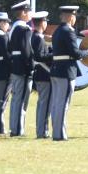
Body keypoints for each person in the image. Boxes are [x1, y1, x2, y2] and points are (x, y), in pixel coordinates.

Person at [49, 5, 88, 141]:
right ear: (71, 17)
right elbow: (75, 53)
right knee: (63, 104)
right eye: (74, 16)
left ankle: (57, 132)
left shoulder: (57, 31)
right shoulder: (68, 31)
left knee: (56, 103)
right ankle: (60, 134)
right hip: (65, 71)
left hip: (56, 69)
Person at [6, 0, 33, 136]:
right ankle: (17, 129)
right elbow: (26, 50)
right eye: (29, 12)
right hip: (23, 67)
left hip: (16, 65)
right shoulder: (24, 29)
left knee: (17, 97)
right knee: (22, 99)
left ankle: (14, 127)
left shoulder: (14, 28)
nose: (30, 14)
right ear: (23, 13)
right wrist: (31, 66)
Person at [31, 11, 53, 139]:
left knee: (43, 104)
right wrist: (54, 55)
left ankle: (42, 130)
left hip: (41, 74)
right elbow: (40, 56)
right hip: (43, 74)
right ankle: (42, 131)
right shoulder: (38, 38)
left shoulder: (37, 37)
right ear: (42, 23)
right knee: (44, 104)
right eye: (45, 21)